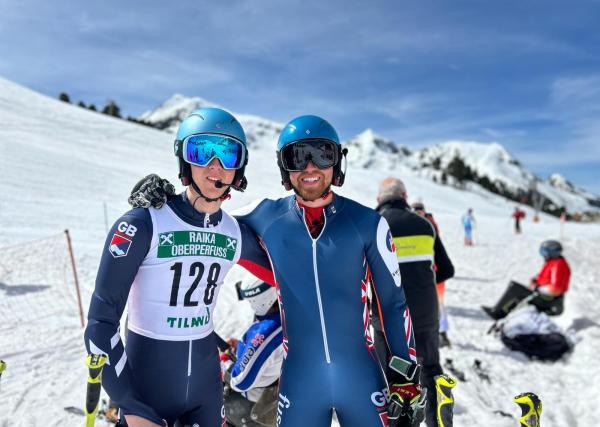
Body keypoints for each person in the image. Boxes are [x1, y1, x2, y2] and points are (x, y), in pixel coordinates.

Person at [130, 115, 423, 427]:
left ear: (337, 162)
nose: (310, 167)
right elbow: (202, 219)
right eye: (297, 157)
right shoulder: (264, 217)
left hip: (360, 378)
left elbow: (392, 304)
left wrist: (405, 375)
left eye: (322, 155)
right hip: (299, 383)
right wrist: (158, 205)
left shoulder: (368, 223)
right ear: (285, 167)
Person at [84, 108, 275, 427]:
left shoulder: (234, 232)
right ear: (184, 161)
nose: (216, 166)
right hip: (146, 394)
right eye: (202, 152)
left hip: (206, 395)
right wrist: (129, 405)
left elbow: (293, 266)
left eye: (228, 154)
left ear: (239, 167)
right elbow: (101, 322)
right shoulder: (144, 222)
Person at [373, 179, 454, 427]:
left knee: (391, 378)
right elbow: (446, 270)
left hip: (386, 315)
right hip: (425, 311)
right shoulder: (424, 224)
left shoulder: (372, 226)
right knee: (430, 370)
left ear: (379, 200)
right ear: (404, 195)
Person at [221, 275, 284, 427]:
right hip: (276, 393)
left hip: (254, 405)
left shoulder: (266, 331)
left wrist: (225, 362)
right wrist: (242, 348)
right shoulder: (284, 316)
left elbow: (240, 381)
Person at [482, 240, 570, 320]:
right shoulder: (553, 263)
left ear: (552, 253)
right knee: (518, 292)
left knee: (515, 289)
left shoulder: (558, 265)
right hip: (545, 295)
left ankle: (497, 313)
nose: (543, 255)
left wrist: (537, 288)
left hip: (550, 300)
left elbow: (556, 289)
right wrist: (535, 281)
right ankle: (501, 313)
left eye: (544, 252)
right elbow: (544, 278)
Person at [411, 202, 451, 348]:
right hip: (425, 274)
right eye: (415, 211)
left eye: (419, 211)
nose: (418, 213)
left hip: (434, 273)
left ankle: (442, 334)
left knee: (438, 306)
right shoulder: (421, 225)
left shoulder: (429, 226)